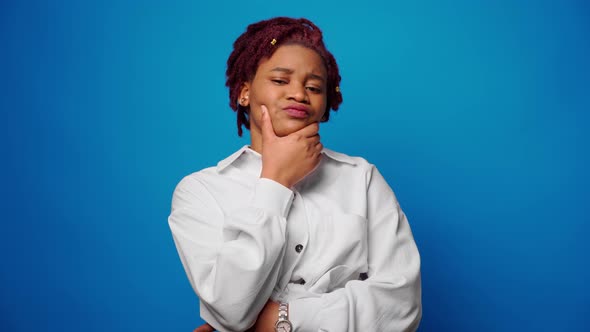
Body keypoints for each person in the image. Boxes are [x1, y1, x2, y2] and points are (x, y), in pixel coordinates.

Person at [168, 17, 422, 332]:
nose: (299, 94)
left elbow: (402, 304)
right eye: (280, 80)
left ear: (326, 103)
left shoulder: (362, 178)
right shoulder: (200, 190)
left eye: (314, 87)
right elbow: (230, 309)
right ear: (244, 93)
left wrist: (281, 319)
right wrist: (275, 180)